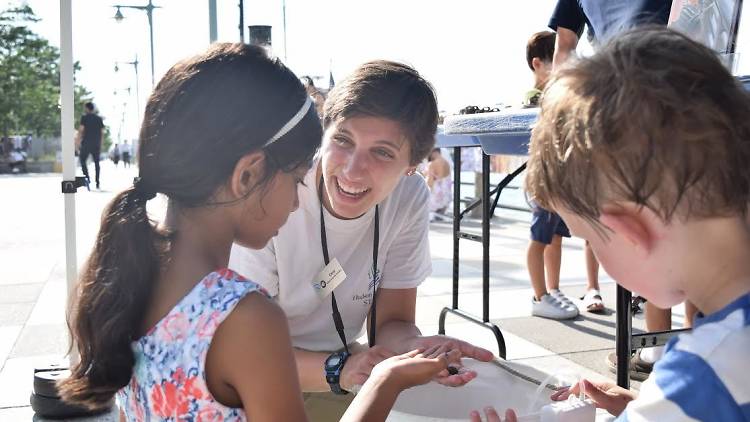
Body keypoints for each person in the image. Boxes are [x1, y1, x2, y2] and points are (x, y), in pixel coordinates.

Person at [58, 43, 456, 422]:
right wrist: (384, 382)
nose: (300, 199)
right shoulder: (247, 318)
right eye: (298, 176)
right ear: (248, 174)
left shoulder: (134, 270)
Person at [473, 27, 750, 421]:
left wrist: (659, 405)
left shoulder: (700, 380)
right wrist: (638, 407)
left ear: (629, 233)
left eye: (588, 238)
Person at [230, 60, 494, 420]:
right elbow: (243, 355)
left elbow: (392, 324)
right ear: (323, 133)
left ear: (412, 165)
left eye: (383, 152)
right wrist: (343, 367)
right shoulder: (276, 191)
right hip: (251, 377)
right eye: (343, 140)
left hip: (338, 368)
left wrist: (415, 349)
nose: (353, 170)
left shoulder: (409, 196)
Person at [523, 30, 603, 320]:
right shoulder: (537, 97)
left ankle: (552, 289)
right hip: (544, 179)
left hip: (559, 180)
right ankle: (539, 295)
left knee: (554, 237)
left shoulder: (559, 93)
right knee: (539, 239)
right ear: (537, 64)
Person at [76, 102, 105, 189]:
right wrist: (101, 144)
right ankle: (97, 182)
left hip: (86, 143)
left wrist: (77, 141)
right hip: (96, 143)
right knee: (97, 163)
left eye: (85, 108)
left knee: (82, 160)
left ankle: (87, 178)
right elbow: (102, 133)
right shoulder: (99, 118)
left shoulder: (84, 118)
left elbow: (81, 130)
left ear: (88, 108)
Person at [424, 148, 452, 221]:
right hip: (445, 195)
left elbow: (430, 181)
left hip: (435, 195)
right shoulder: (446, 162)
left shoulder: (433, 164)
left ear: (433, 152)